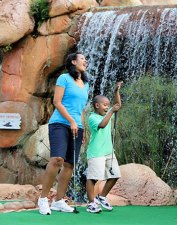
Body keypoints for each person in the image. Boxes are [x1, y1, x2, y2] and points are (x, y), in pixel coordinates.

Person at [38, 52, 89, 215]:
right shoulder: (64, 78)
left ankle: (59, 201)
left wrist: (83, 127)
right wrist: (71, 121)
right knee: (57, 159)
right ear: (73, 62)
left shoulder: (85, 83)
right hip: (60, 123)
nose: (85, 61)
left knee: (69, 164)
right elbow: (57, 102)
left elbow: (81, 108)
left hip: (77, 126)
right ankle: (43, 199)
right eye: (82, 59)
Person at [85, 81, 122, 213]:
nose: (107, 107)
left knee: (115, 175)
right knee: (93, 178)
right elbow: (102, 125)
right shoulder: (92, 117)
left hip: (108, 152)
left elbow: (117, 105)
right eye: (105, 105)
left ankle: (101, 197)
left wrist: (116, 91)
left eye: (108, 105)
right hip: (96, 153)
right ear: (97, 105)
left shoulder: (107, 114)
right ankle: (90, 203)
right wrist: (111, 111)